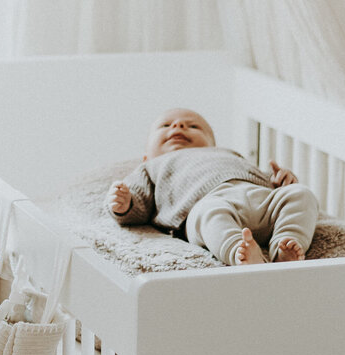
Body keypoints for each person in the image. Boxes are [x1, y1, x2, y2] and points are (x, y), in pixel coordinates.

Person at [106, 107, 318, 265]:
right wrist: (124, 203)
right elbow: (139, 205)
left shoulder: (229, 154)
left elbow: (263, 179)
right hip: (207, 203)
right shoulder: (152, 166)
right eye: (166, 126)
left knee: (301, 194)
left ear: (213, 144)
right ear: (146, 156)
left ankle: (284, 245)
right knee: (210, 214)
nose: (178, 126)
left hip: (258, 197)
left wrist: (282, 181)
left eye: (193, 126)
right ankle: (240, 251)